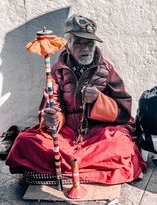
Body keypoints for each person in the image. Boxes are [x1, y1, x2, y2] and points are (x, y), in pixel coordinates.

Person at [6, 14, 146, 185]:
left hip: (98, 133)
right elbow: (52, 103)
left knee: (121, 145)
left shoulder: (106, 69)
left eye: (89, 43)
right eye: (79, 43)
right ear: (68, 45)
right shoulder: (57, 70)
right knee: (24, 141)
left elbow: (123, 111)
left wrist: (98, 100)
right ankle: (87, 170)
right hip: (68, 132)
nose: (86, 48)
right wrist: (53, 119)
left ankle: (68, 170)